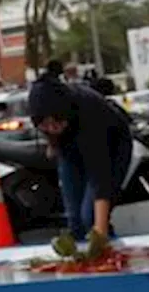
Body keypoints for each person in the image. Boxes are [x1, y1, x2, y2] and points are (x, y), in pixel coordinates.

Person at [28, 74, 133, 239]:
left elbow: (101, 178)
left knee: (90, 217)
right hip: (70, 149)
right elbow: (49, 128)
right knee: (74, 219)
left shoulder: (90, 113)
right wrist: (53, 143)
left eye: (55, 123)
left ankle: (108, 255)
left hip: (112, 146)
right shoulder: (44, 114)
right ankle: (80, 257)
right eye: (45, 126)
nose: (51, 128)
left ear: (64, 112)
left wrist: (100, 230)